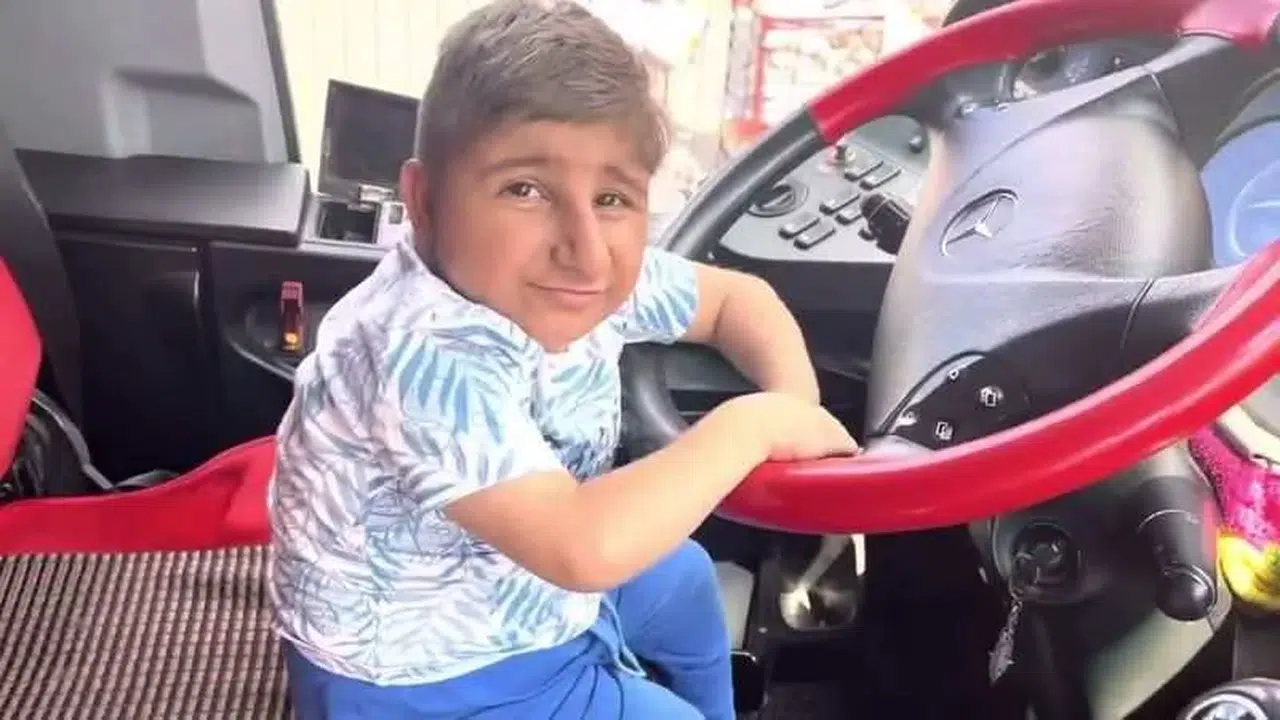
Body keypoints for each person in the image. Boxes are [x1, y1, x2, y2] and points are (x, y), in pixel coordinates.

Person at [268, 1, 859, 718]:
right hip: (423, 676)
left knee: (685, 578)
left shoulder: (578, 277)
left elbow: (739, 301)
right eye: (525, 190)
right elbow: (581, 548)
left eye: (612, 198)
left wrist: (794, 410)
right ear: (423, 202)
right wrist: (753, 427)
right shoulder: (415, 353)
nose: (585, 250)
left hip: (528, 581)